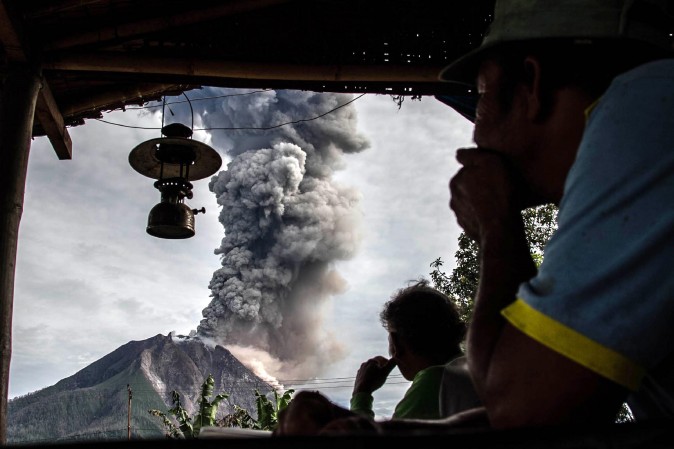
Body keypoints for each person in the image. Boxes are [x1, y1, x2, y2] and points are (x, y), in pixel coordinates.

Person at [275, 0, 674, 435]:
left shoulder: (644, 119)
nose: (475, 136)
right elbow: (553, 406)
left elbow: (522, 407)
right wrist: (380, 434)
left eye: (481, 99)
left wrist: (495, 225)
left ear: (531, 84)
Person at [350, 279, 480, 420]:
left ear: (395, 343)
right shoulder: (479, 370)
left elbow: (367, 441)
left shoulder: (435, 381)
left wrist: (361, 393)